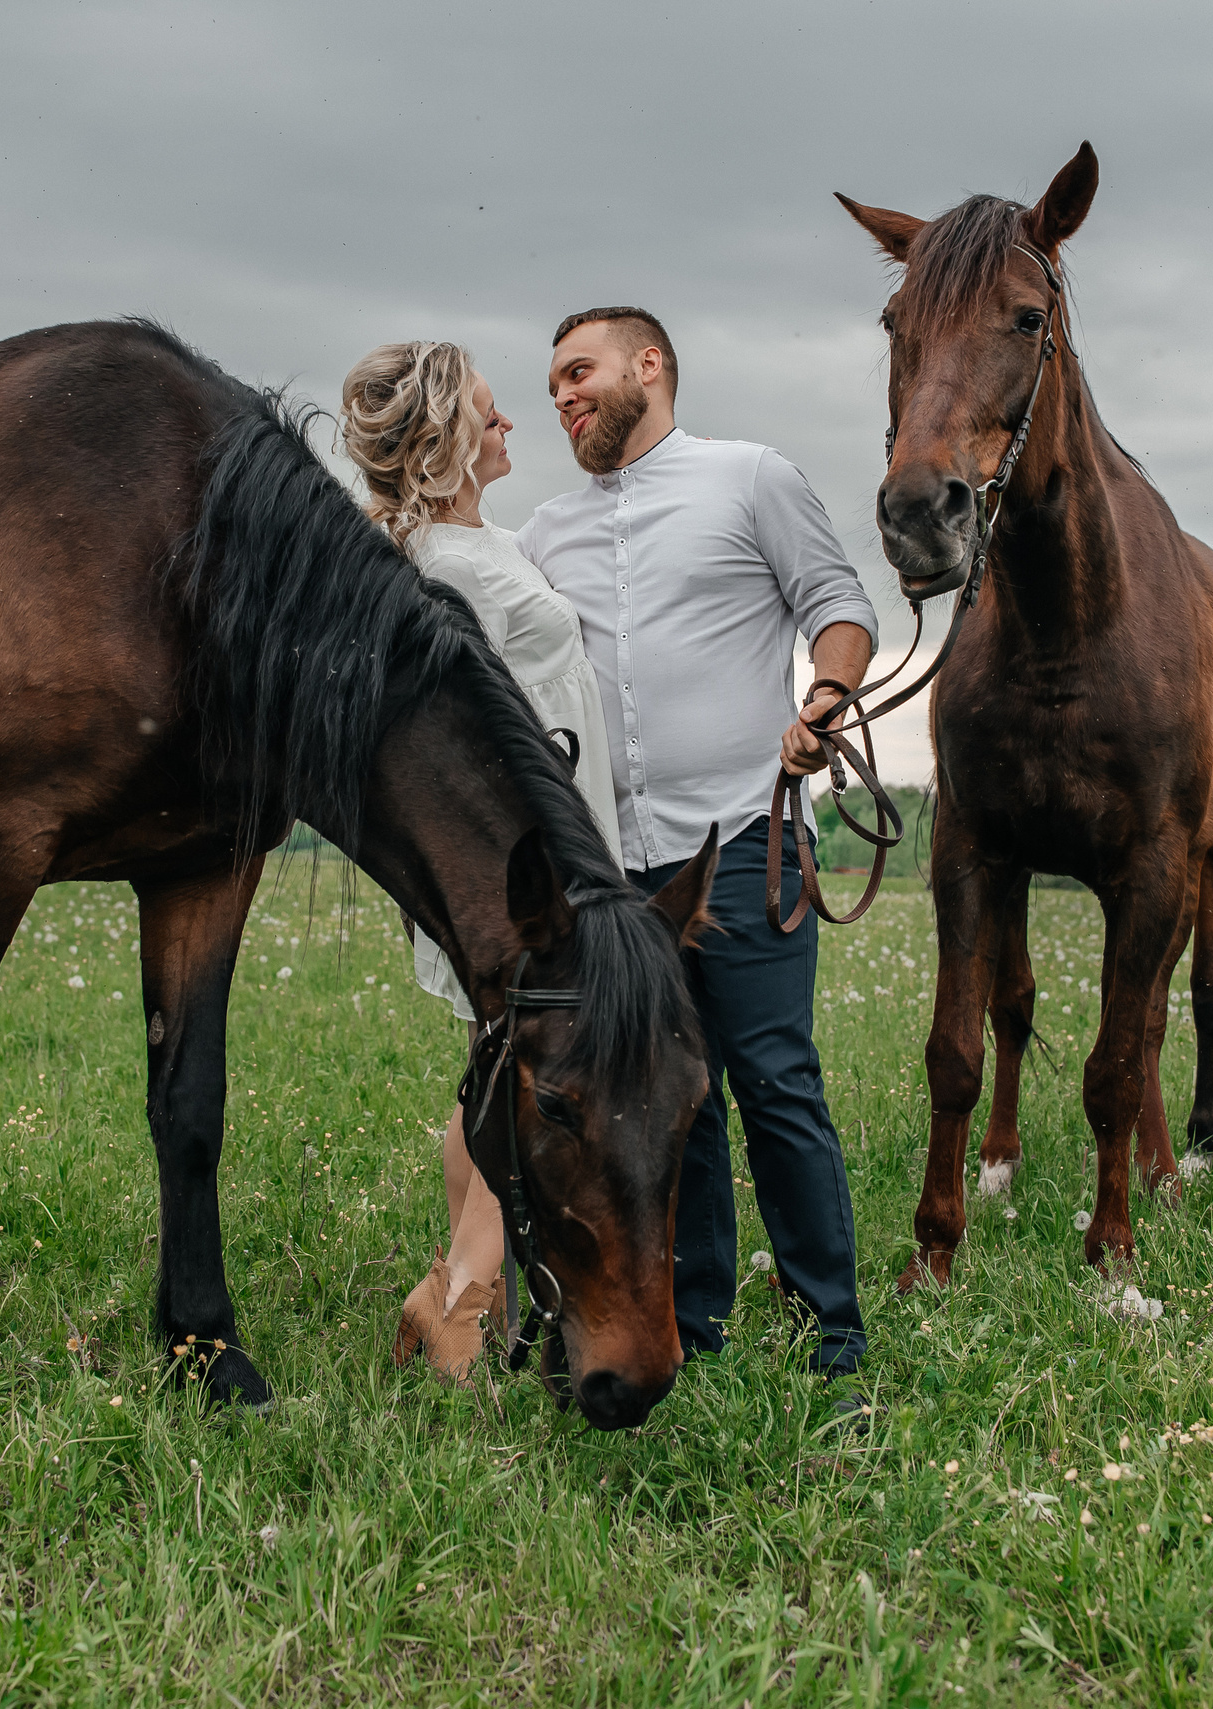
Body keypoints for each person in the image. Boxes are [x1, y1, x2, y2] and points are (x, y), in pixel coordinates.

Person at [515, 307, 879, 1384]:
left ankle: (833, 1332)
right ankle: (699, 1323)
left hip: (746, 838)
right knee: (672, 1103)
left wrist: (824, 701)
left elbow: (840, 605)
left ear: (650, 364)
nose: (563, 395)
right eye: (552, 385)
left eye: (578, 371)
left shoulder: (750, 478)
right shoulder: (545, 533)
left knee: (775, 1080)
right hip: (613, 873)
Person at [339, 340, 619, 1385]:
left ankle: (467, 1290)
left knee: (492, 1063)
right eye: (491, 412)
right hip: (520, 859)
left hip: (548, 841)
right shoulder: (441, 570)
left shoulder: (475, 543)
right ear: (446, 439)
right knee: (532, 1068)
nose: (509, 425)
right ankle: (462, 1294)